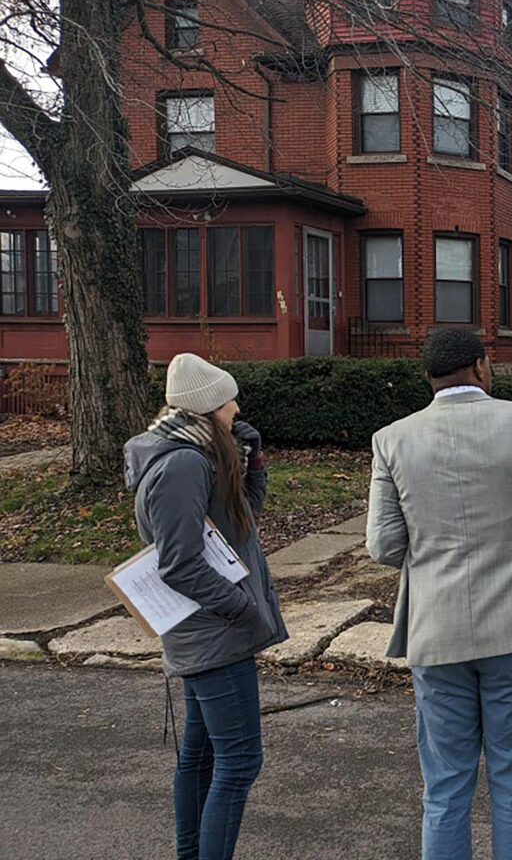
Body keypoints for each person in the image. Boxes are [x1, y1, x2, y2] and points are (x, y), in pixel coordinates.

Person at [366, 328, 512, 860]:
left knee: (444, 790)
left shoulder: (392, 438)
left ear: (429, 378)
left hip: (437, 631)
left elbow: (382, 544)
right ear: (481, 367)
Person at [124, 352, 287, 860]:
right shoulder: (181, 465)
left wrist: (252, 464)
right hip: (214, 632)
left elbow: (240, 525)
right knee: (238, 762)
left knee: (200, 755)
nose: (237, 408)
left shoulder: (199, 456)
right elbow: (180, 564)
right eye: (229, 400)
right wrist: (241, 608)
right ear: (208, 407)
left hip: (210, 629)